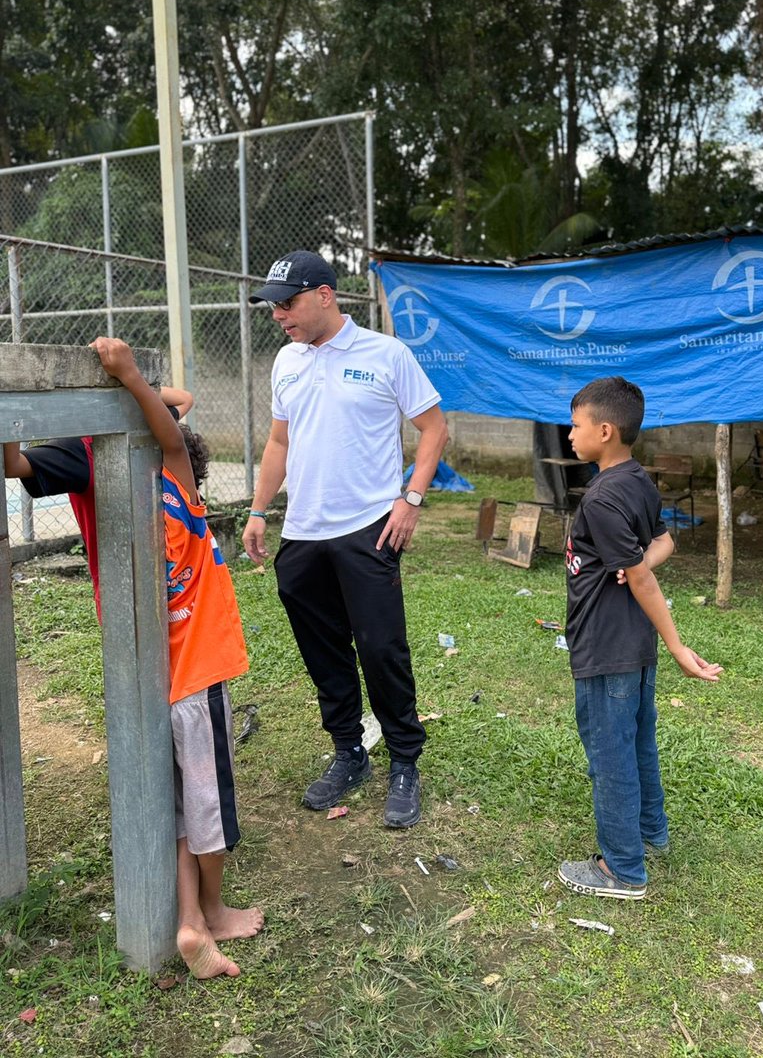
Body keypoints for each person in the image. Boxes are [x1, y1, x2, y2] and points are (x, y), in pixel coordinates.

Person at [242, 250, 449, 829]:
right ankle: (349, 750)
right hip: (303, 532)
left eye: (288, 303)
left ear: (325, 295)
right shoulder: (286, 361)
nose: (278, 315)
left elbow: (434, 427)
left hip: (368, 528)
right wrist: (260, 511)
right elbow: (280, 443)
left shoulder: (386, 353)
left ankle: (405, 760)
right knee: (323, 651)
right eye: (272, 306)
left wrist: (410, 499)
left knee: (381, 647)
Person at [90, 337, 263, 979]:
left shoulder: (124, 515)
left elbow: (168, 425)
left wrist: (119, 388)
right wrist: (131, 376)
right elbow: (170, 434)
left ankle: (189, 922)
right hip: (198, 678)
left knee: (178, 810)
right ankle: (213, 912)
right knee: (208, 806)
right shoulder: (178, 498)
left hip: (151, 686)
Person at [556, 376, 723, 899]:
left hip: (607, 645)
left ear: (604, 430)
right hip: (631, 644)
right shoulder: (637, 480)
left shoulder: (603, 499)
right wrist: (635, 565)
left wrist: (676, 644)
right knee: (636, 743)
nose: (569, 435)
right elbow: (664, 541)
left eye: (576, 425)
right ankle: (651, 832)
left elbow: (643, 575)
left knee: (610, 754)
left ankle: (622, 869)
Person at [3, 385, 193, 621]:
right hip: (120, 585)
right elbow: (13, 466)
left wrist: (125, 378)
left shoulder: (143, 425)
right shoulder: (76, 450)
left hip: (176, 575)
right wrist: (11, 411)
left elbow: (184, 399)